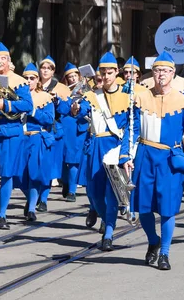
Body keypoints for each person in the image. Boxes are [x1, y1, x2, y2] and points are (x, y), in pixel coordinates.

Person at [120, 51, 184, 270]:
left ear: (173, 74)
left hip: (169, 160)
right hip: (145, 155)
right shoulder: (140, 97)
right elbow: (131, 128)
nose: (160, 75)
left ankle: (164, 252)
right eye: (157, 71)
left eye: (165, 71)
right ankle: (153, 240)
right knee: (143, 207)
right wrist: (126, 155)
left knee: (167, 209)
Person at [73, 52, 131, 251]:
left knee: (111, 193)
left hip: (114, 148)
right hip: (96, 147)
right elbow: (80, 114)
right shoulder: (91, 96)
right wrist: (74, 107)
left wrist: (126, 154)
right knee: (94, 193)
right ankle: (106, 219)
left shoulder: (127, 97)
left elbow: (131, 127)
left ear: (117, 72)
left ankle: (108, 234)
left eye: (109, 73)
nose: (106, 76)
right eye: (103, 73)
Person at [0, 43, 33, 230]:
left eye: (3, 58)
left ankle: (3, 214)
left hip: (10, 129)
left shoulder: (18, 81)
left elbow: (27, 105)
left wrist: (7, 105)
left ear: (9, 61)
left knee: (7, 173)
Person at [17, 64, 55, 221]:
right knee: (18, 175)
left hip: (36, 138)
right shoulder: (16, 95)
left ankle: (32, 208)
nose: (28, 81)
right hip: (19, 138)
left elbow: (50, 119)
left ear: (37, 80)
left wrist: (33, 111)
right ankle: (30, 199)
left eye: (32, 78)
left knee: (34, 174)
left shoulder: (45, 97)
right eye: (25, 78)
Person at [38, 55, 71, 211]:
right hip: (35, 129)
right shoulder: (33, 84)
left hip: (53, 130)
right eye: (43, 68)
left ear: (53, 72)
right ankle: (33, 197)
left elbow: (66, 110)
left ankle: (43, 199)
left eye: (48, 68)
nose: (45, 71)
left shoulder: (60, 88)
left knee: (49, 167)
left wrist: (57, 101)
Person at [60, 62, 89, 202]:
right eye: (69, 77)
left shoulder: (86, 89)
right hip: (65, 126)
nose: (72, 79)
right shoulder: (63, 90)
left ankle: (72, 190)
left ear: (79, 76)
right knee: (62, 159)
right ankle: (65, 182)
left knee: (73, 160)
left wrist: (81, 102)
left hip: (78, 128)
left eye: (74, 76)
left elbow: (88, 107)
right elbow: (61, 109)